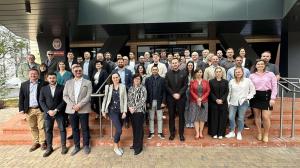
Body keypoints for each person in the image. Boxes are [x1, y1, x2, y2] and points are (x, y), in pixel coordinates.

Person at [63, 65, 92, 155]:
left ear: (82, 71)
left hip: (83, 109)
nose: (78, 72)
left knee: (85, 128)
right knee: (74, 129)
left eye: (80, 70)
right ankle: (77, 146)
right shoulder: (68, 82)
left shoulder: (88, 82)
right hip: (71, 109)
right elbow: (65, 96)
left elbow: (88, 96)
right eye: (76, 71)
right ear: (73, 72)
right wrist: (73, 105)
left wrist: (79, 105)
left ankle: (86, 145)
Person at [39, 73, 67, 157]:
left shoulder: (62, 87)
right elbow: (41, 101)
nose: (52, 79)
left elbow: (64, 100)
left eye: (53, 78)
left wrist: (56, 110)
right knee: (48, 130)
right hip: (48, 114)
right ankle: (49, 148)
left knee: (62, 129)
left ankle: (63, 147)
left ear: (56, 78)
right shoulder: (43, 89)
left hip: (59, 112)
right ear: (47, 79)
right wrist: (48, 111)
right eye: (50, 78)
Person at [19, 68, 47, 152]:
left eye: (35, 74)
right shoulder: (24, 84)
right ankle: (36, 141)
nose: (33, 75)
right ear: (29, 75)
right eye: (31, 74)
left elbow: (46, 96)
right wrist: (21, 109)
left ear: (38, 75)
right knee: (32, 126)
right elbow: (21, 97)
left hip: (40, 109)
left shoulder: (44, 83)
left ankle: (42, 142)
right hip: (29, 109)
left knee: (42, 126)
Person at [249, 59, 277, 142]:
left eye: (262, 64)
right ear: (255, 66)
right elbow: (250, 87)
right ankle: (259, 133)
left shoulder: (271, 74)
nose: (260, 65)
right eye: (258, 64)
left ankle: (266, 134)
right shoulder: (252, 75)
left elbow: (275, 87)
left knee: (265, 117)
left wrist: (273, 98)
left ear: (265, 65)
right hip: (255, 96)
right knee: (257, 116)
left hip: (267, 96)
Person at [226, 67, 256, 140]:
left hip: (243, 102)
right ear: (234, 73)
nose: (238, 73)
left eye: (239, 72)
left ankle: (239, 132)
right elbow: (229, 93)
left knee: (240, 118)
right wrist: (228, 102)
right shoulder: (231, 81)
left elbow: (253, 91)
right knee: (231, 117)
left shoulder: (247, 81)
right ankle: (232, 132)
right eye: (236, 72)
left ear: (242, 73)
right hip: (233, 102)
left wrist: (247, 97)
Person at [101, 73, 127, 156]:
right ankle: (115, 147)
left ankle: (118, 146)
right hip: (112, 111)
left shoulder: (123, 86)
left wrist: (124, 111)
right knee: (119, 130)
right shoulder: (108, 87)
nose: (115, 79)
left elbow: (125, 99)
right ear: (111, 79)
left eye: (117, 77)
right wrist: (103, 110)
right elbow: (105, 99)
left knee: (118, 130)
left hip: (121, 110)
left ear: (119, 78)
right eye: (114, 77)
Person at [165, 58, 188, 141]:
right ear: (171, 64)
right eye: (173, 63)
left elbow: (185, 85)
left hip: (181, 98)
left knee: (181, 116)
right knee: (171, 116)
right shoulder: (167, 74)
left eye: (176, 63)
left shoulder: (184, 73)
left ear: (179, 64)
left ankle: (181, 134)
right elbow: (167, 86)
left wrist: (179, 94)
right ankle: (172, 133)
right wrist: (173, 94)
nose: (174, 64)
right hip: (171, 98)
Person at [128, 74, 147, 155]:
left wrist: (134, 108)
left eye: (138, 79)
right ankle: (135, 144)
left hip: (139, 111)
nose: (136, 80)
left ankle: (138, 148)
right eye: (135, 79)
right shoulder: (130, 88)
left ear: (140, 80)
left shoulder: (143, 88)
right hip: (132, 112)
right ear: (133, 80)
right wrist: (130, 107)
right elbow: (129, 99)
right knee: (135, 129)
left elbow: (143, 100)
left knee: (139, 130)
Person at [145, 65, 166, 140]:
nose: (154, 71)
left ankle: (160, 132)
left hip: (159, 101)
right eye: (153, 70)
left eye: (156, 69)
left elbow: (164, 92)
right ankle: (151, 132)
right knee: (151, 118)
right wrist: (147, 101)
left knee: (160, 118)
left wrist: (163, 101)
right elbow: (146, 92)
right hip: (150, 101)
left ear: (158, 70)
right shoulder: (148, 79)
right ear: (151, 71)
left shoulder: (162, 80)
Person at [208, 67, 229, 139]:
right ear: (215, 73)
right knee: (214, 118)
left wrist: (222, 100)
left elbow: (227, 92)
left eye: (220, 71)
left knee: (222, 118)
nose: (218, 73)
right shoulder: (211, 81)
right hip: (214, 103)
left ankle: (221, 133)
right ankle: (214, 133)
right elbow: (210, 92)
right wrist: (216, 99)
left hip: (223, 103)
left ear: (222, 73)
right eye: (217, 71)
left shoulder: (226, 82)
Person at [189, 68, 210, 139]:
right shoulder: (192, 81)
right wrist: (197, 99)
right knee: (196, 117)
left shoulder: (206, 82)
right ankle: (197, 133)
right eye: (197, 72)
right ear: (195, 73)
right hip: (194, 102)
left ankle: (201, 132)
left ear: (202, 73)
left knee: (202, 118)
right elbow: (191, 91)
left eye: (200, 72)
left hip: (204, 102)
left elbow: (208, 91)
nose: (199, 73)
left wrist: (201, 99)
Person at [185, 61, 195, 128]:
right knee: (186, 107)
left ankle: (192, 122)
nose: (190, 66)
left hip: (193, 92)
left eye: (191, 65)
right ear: (187, 66)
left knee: (193, 107)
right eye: (189, 65)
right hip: (185, 91)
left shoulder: (195, 74)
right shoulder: (184, 73)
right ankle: (187, 122)